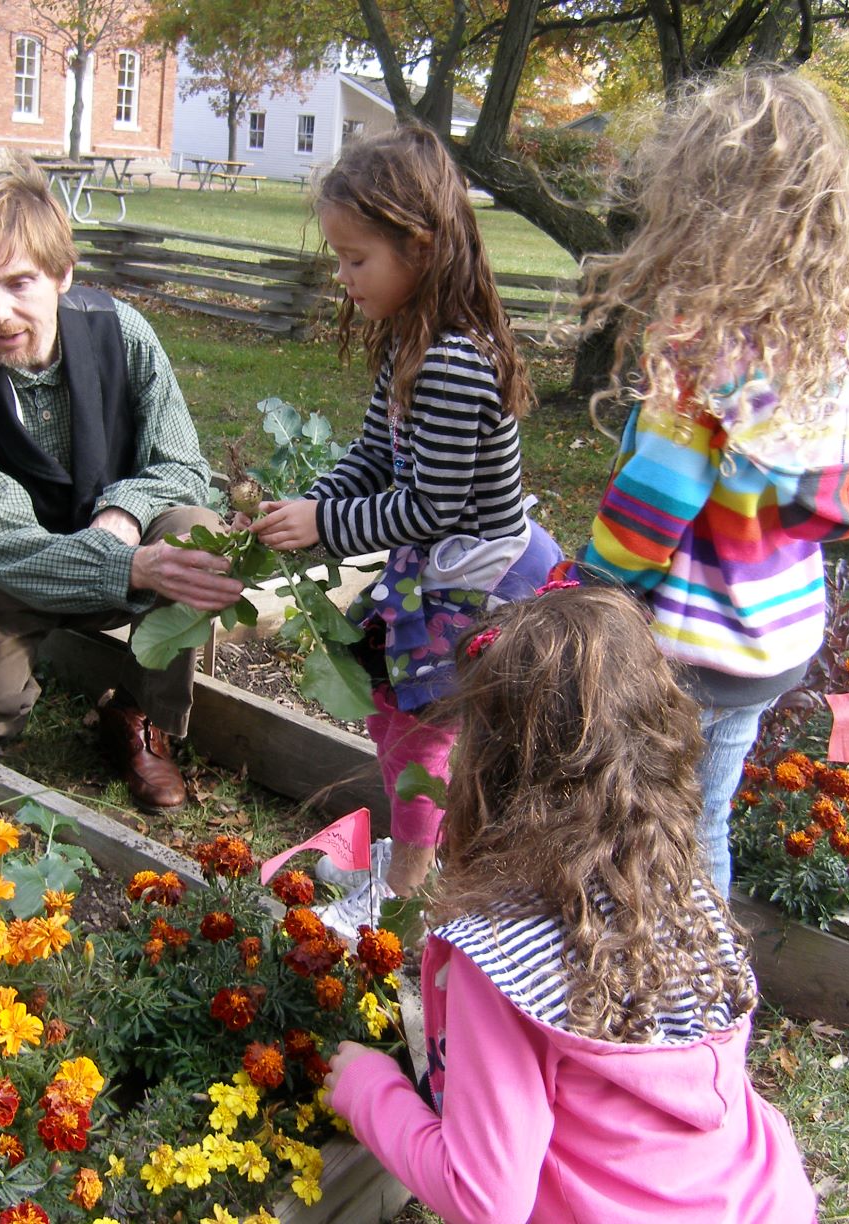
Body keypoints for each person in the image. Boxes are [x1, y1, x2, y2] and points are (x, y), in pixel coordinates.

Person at [325, 585, 817, 1223]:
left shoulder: (500, 955)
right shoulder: (678, 887)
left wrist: (371, 1091)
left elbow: (486, 1200)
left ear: (488, 768)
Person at [570, 71, 849, 892]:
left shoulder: (704, 343)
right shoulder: (828, 342)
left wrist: (586, 586)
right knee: (703, 811)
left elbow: (657, 502)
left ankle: (678, 991)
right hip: (772, 638)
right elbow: (833, 501)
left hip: (690, 643)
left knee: (653, 821)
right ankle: (698, 987)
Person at [249, 124, 563, 936]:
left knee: (425, 730)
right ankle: (414, 854)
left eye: (357, 258)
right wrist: (310, 506)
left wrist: (323, 523)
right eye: (338, 257)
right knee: (394, 716)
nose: (344, 276)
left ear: (418, 249)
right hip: (438, 567)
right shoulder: (410, 345)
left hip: (480, 578)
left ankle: (410, 884)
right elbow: (370, 459)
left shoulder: (455, 363)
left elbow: (430, 507)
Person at [0, 168, 243, 809]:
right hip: (4, 572)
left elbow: (184, 468)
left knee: (197, 531)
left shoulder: (123, 336)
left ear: (63, 274)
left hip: (129, 555)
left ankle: (139, 716)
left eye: (18, 283)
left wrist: (126, 509)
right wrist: (127, 563)